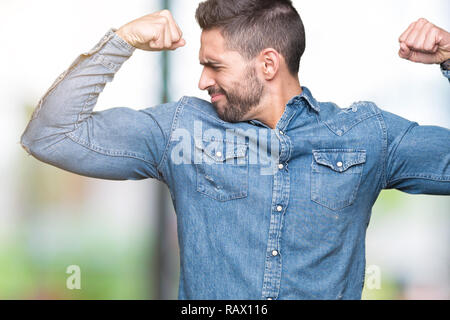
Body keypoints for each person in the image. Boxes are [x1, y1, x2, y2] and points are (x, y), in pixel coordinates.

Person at [20, 0, 449, 300]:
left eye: (215, 65)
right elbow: (50, 135)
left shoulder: (366, 134)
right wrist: (122, 40)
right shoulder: (180, 129)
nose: (203, 80)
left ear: (267, 64)